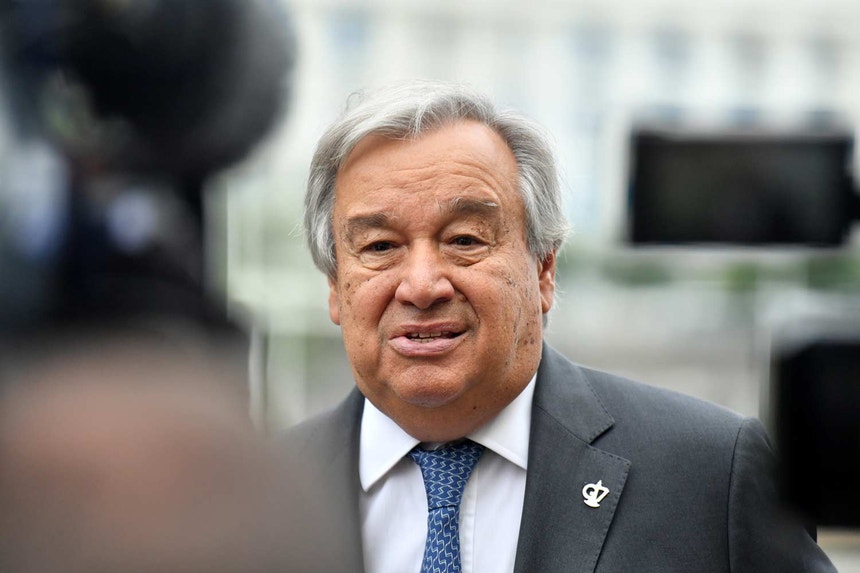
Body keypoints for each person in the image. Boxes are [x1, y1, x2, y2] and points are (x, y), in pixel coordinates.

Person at [283, 80, 836, 572]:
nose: (422, 285)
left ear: (544, 268)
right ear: (335, 284)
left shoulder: (712, 472)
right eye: (380, 247)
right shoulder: (259, 491)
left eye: (465, 240)